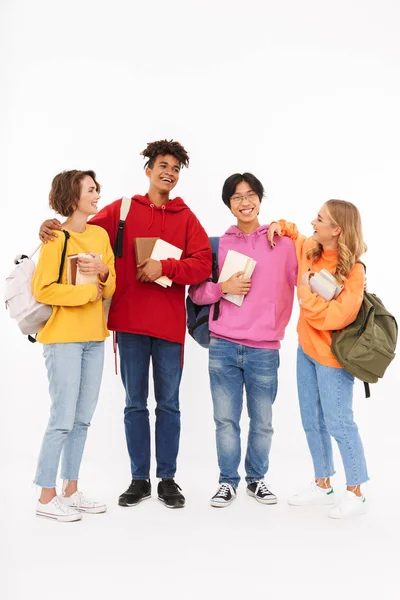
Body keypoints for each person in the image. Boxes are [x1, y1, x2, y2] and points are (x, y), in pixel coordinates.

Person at [39, 140, 212, 509]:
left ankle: (167, 478)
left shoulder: (186, 217)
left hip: (168, 328)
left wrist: (164, 267)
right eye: (163, 165)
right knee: (135, 404)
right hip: (129, 325)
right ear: (148, 170)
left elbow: (202, 263)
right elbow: (78, 228)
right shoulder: (121, 210)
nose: (169, 172)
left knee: (169, 404)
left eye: (176, 169)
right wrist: (49, 225)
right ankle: (138, 479)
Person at [189, 173, 297, 507]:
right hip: (222, 345)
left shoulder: (285, 244)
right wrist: (223, 289)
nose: (245, 202)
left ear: (260, 199)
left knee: (262, 422)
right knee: (225, 421)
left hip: (264, 348)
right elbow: (196, 293)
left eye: (250, 195)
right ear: (228, 204)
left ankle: (257, 479)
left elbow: (306, 280)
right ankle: (227, 481)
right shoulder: (217, 244)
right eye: (237, 197)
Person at [268, 200, 368, 518]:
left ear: (337, 230)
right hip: (306, 350)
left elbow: (339, 316)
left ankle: (355, 492)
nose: (314, 221)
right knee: (312, 421)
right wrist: (279, 226)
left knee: (339, 423)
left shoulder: (354, 270)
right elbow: (295, 233)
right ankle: (323, 484)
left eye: (320, 219)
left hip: (332, 358)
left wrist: (304, 295)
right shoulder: (312, 248)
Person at [33, 170, 116, 522]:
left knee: (82, 420)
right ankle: (46, 495)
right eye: (91, 190)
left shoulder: (99, 235)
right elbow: (42, 289)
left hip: (94, 338)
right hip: (63, 339)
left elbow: (110, 288)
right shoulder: (56, 237)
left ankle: (70, 489)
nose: (97, 195)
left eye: (97, 189)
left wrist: (101, 272)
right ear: (72, 197)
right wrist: (86, 292)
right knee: (62, 419)